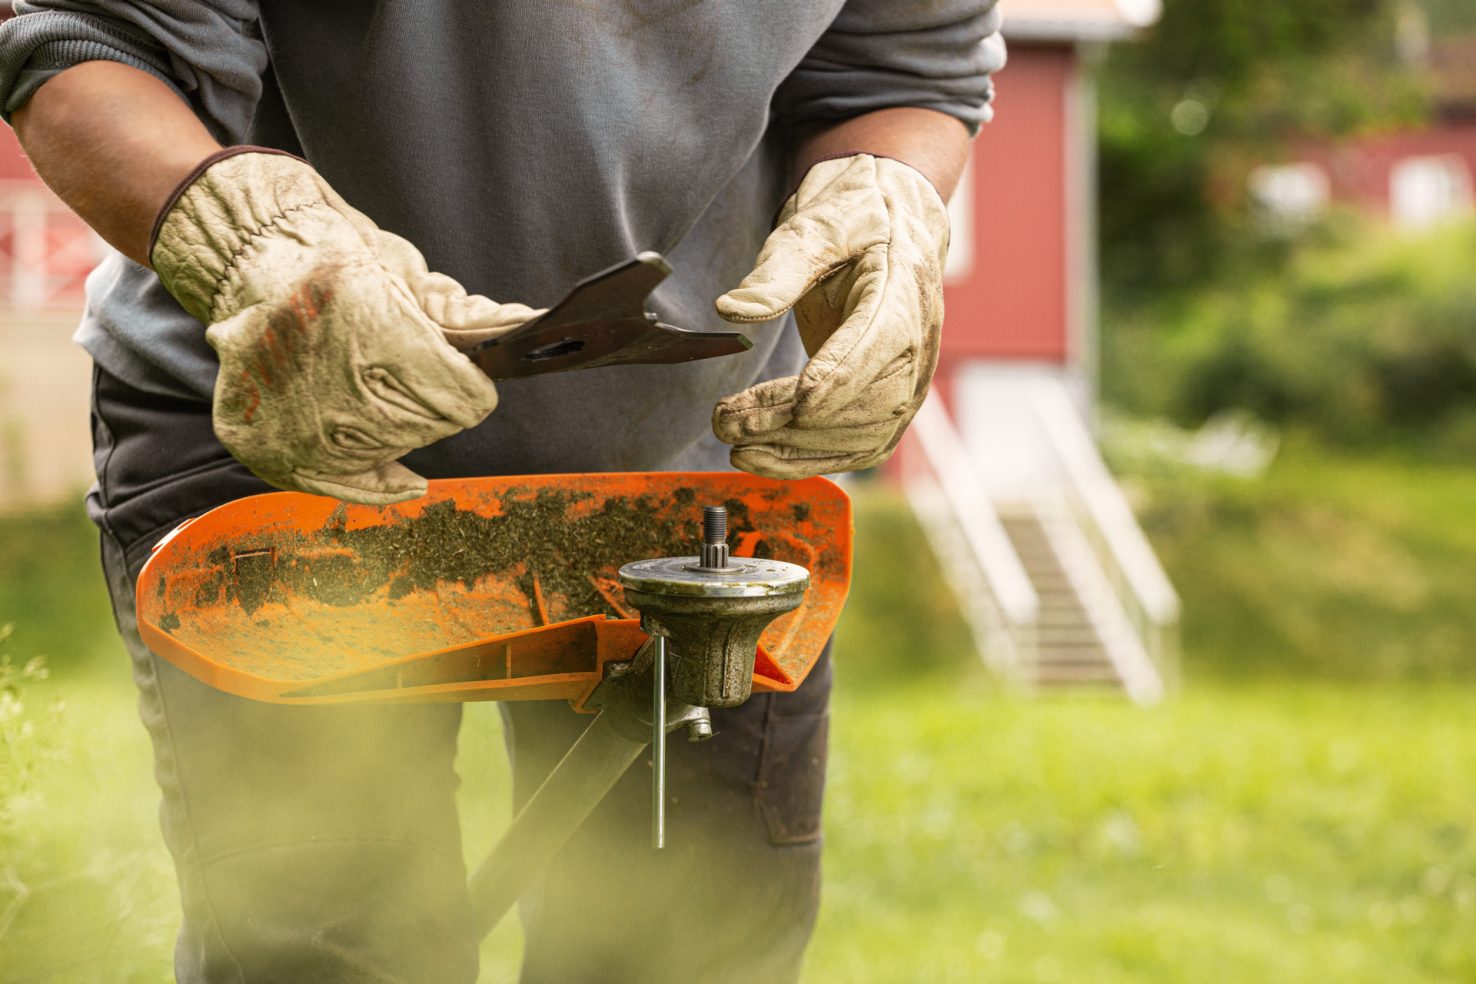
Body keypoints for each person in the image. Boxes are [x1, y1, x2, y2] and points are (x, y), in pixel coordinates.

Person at [0, 3, 1004, 981]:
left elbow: (895, 69)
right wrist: (252, 246)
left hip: (700, 471)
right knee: (323, 953)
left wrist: (886, 193)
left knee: (689, 948)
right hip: (276, 410)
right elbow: (95, 42)